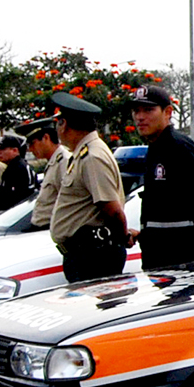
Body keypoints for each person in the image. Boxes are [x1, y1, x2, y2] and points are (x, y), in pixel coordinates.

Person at [128, 84, 194, 269]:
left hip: (185, 263)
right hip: (161, 260)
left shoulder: (179, 147)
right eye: (136, 111)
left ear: (168, 112)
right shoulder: (155, 149)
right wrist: (144, 235)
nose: (140, 117)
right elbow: (167, 212)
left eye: (148, 110)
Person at [48, 93, 128, 283]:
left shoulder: (92, 157)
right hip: (87, 254)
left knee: (95, 310)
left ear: (64, 124)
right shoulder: (84, 153)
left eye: (58, 123)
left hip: (92, 256)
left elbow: (113, 211)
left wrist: (123, 237)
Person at [23, 120, 68, 229]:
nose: (30, 149)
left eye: (32, 143)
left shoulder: (64, 161)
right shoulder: (53, 162)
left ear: (46, 138)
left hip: (51, 228)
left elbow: (67, 201)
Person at [0, 135, 39, 211]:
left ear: (15, 150)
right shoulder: (13, 166)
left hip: (15, 215)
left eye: (3, 149)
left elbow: (23, 197)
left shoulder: (19, 168)